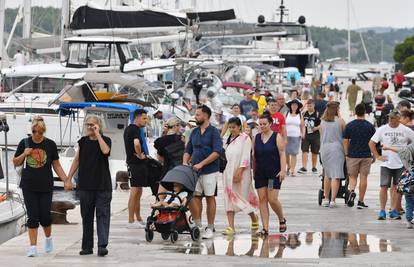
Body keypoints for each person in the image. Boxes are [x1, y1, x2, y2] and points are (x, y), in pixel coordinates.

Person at [13, 116, 70, 257]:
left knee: (45, 217)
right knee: (33, 217)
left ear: (43, 131)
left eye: (40, 132)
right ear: (31, 130)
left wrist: (66, 180)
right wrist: (24, 154)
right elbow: (15, 162)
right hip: (28, 185)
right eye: (34, 131)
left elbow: (56, 165)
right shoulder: (24, 143)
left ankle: (48, 239)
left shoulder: (50, 145)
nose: (37, 134)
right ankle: (33, 247)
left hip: (45, 185)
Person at [67, 115, 112, 257]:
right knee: (86, 217)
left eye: (92, 125)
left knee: (102, 215)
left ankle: (102, 245)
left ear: (99, 126)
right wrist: (68, 178)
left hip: (102, 185)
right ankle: (87, 247)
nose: (89, 127)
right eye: (87, 124)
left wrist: (98, 134)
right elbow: (76, 160)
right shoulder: (83, 142)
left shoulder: (105, 140)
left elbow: (105, 151)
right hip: (85, 185)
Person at [183, 105, 222, 239]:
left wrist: (202, 164)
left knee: (210, 197)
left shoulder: (214, 132)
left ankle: (210, 227)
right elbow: (188, 150)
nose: (196, 117)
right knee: (195, 197)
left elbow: (217, 152)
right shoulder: (194, 132)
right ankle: (198, 224)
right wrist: (185, 162)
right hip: (194, 171)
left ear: (206, 116)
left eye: (198, 114)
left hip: (210, 170)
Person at [369, 110, 414, 220]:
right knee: (384, 187)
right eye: (389, 117)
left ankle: (393, 209)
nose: (390, 119)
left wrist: (408, 153)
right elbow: (371, 143)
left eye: (393, 118)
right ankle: (382, 210)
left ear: (398, 118)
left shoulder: (405, 130)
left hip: (401, 163)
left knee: (397, 188)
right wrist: (377, 156)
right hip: (386, 163)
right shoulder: (382, 129)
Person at [221, 117, 259, 235]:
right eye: (230, 127)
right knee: (229, 198)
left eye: (234, 127)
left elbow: (246, 157)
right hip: (228, 173)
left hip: (242, 173)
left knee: (242, 198)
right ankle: (231, 227)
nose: (232, 129)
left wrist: (240, 171)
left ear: (239, 127)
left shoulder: (245, 138)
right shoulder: (226, 139)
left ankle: (254, 217)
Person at [253, 113, 287, 236]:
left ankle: (281, 218)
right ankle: (265, 228)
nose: (262, 126)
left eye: (264, 124)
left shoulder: (276, 137)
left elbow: (282, 153)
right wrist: (253, 171)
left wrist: (283, 170)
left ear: (270, 124)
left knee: (272, 200)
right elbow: (254, 156)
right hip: (260, 173)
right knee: (262, 200)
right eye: (260, 124)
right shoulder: (256, 138)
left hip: (274, 173)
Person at [343, 104, 376, 209]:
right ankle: (361, 201)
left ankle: (352, 191)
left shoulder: (350, 125)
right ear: (365, 112)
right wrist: (374, 155)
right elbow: (374, 142)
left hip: (353, 155)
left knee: (352, 177)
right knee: (363, 177)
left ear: (355, 112)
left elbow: (345, 140)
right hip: (366, 155)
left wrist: (346, 153)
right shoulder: (370, 126)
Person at [123, 109, 149, 229]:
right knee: (134, 192)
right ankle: (130, 220)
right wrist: (139, 154)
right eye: (144, 118)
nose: (146, 121)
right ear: (137, 118)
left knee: (138, 191)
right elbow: (137, 143)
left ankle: (138, 218)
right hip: (134, 164)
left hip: (137, 164)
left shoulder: (133, 129)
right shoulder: (133, 129)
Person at [320, 102, 346, 208]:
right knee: (336, 175)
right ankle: (333, 200)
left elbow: (321, 135)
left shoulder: (322, 122)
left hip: (324, 148)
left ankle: (326, 198)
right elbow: (345, 136)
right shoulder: (340, 121)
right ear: (337, 109)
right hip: (337, 148)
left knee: (327, 174)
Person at [298, 99, 321, 174]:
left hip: (315, 135)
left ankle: (314, 167)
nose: (309, 107)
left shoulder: (318, 114)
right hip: (306, 134)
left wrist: (316, 128)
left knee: (315, 151)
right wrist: (301, 132)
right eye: (308, 106)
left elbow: (322, 123)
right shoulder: (304, 114)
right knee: (304, 150)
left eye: (310, 106)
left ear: (314, 105)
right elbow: (300, 124)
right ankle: (304, 167)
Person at [285, 99, 305, 176]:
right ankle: (288, 166)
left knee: (294, 153)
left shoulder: (300, 115)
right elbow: (283, 124)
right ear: (290, 106)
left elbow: (302, 125)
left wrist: (303, 133)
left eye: (295, 105)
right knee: (286, 153)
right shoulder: (286, 113)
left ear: (298, 106)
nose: (294, 106)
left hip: (296, 136)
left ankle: (292, 170)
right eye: (293, 105)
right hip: (286, 136)